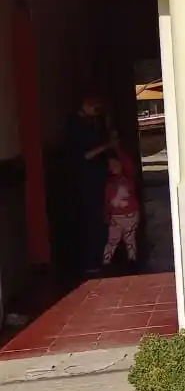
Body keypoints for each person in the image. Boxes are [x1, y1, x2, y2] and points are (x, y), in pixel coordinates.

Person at [65, 93, 117, 275]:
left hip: (95, 179)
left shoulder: (90, 123)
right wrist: (106, 146)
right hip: (86, 181)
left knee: (98, 219)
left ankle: (98, 258)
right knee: (91, 221)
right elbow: (85, 155)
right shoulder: (75, 127)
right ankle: (91, 261)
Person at [102, 149, 141, 269]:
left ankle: (131, 260)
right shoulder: (109, 184)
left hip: (129, 215)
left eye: (114, 164)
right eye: (110, 165)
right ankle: (107, 262)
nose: (112, 167)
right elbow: (107, 202)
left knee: (129, 240)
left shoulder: (128, 178)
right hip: (117, 217)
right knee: (113, 241)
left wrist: (117, 149)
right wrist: (107, 214)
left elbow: (128, 164)